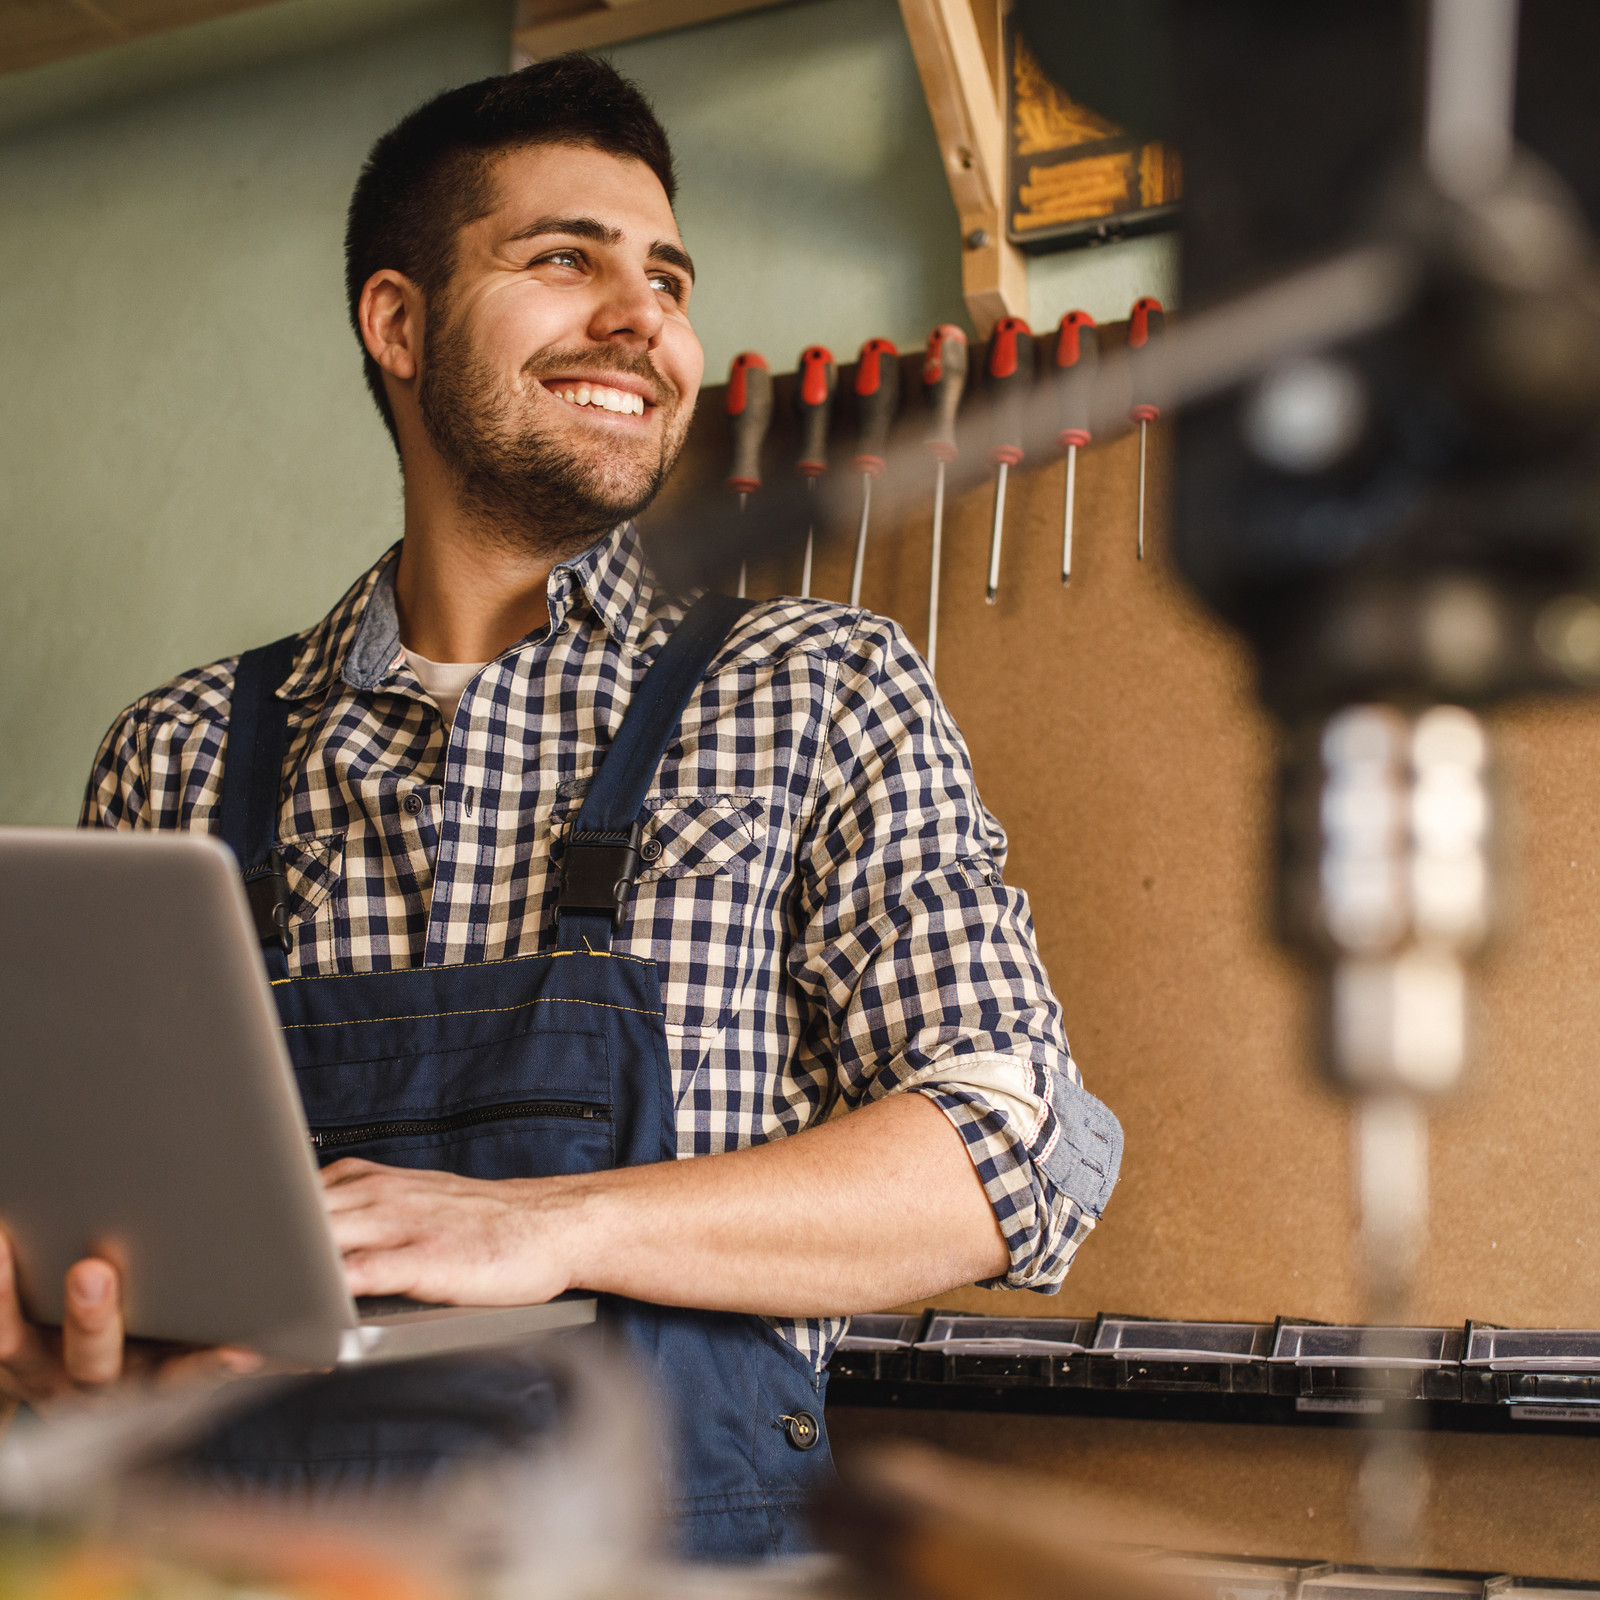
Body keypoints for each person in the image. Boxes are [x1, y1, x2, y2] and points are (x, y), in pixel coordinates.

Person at [0, 54, 1122, 1557]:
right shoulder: (179, 754)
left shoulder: (815, 687)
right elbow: (96, 1224)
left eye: (668, 275)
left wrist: (551, 1223)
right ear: (397, 324)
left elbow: (1013, 1148)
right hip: (254, 1566)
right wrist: (54, 1329)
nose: (642, 317)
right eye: (562, 259)